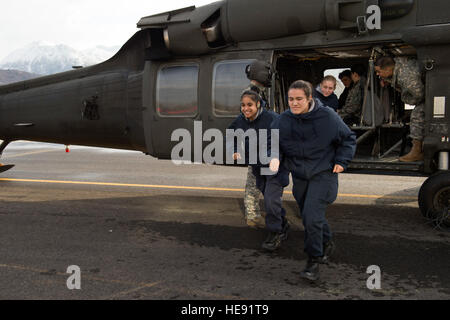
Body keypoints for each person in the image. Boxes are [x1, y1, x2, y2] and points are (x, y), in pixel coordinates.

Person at [269, 80, 356, 281]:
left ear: (310, 99)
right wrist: (274, 156)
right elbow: (272, 141)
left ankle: (314, 259)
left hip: (323, 173)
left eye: (299, 99)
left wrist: (342, 160)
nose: (294, 103)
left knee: (310, 216)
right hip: (300, 175)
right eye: (291, 99)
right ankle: (327, 241)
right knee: (310, 215)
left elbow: (348, 138)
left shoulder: (327, 117)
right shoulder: (283, 120)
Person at [227, 90, 290, 251]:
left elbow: (284, 138)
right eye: (243, 105)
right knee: (270, 199)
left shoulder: (272, 118)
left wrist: (277, 158)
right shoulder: (241, 120)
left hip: (276, 166)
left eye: (249, 105)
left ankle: (274, 234)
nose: (245, 108)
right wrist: (234, 148)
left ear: (258, 104)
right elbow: (231, 133)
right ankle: (282, 222)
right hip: (257, 166)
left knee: (270, 200)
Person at [240, 60, 273, 228]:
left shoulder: (258, 92)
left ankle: (265, 212)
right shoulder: (251, 93)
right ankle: (252, 215)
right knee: (255, 180)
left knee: (265, 178)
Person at [375, 56, 425, 162]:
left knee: (417, 116)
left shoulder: (404, 75)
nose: (377, 74)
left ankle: (417, 151)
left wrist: (404, 97)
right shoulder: (399, 67)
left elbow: (418, 96)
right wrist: (388, 80)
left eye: (379, 71)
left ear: (388, 69)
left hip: (433, 93)